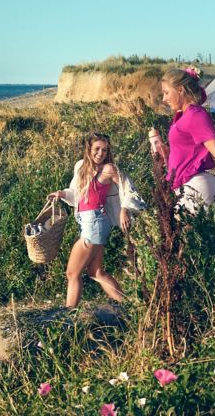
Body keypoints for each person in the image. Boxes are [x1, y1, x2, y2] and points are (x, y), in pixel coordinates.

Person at [49, 132, 145, 309]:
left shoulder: (109, 169)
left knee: (72, 272)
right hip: (90, 222)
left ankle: (68, 316)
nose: (100, 153)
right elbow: (76, 194)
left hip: (95, 222)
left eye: (105, 150)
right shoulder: (81, 167)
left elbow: (127, 188)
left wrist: (124, 210)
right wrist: (61, 194)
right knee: (96, 271)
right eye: (97, 149)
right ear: (89, 149)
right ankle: (130, 307)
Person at [156, 66, 215, 213]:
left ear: (180, 90)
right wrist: (168, 152)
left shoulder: (196, 115)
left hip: (197, 187)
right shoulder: (183, 116)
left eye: (166, 93)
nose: (164, 99)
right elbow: (188, 150)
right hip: (186, 187)